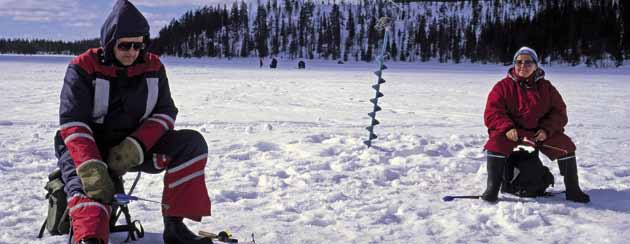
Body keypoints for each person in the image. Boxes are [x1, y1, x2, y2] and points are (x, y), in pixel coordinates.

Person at [55, 1, 213, 243]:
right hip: (88, 147)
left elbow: (166, 111)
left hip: (134, 149)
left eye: (138, 45)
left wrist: (135, 146)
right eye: (124, 45)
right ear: (109, 43)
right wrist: (90, 165)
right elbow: (73, 121)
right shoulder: (83, 66)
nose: (132, 52)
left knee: (191, 145)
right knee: (91, 183)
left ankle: (175, 227)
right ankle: (89, 238)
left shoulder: (153, 66)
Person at [481, 46, 590, 203]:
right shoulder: (502, 87)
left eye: (528, 62)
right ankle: (492, 189)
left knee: (566, 146)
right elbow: (493, 112)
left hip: (539, 133)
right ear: (514, 64)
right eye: (519, 62)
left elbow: (559, 112)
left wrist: (547, 129)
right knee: (495, 144)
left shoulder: (547, 88)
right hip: (513, 132)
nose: (523, 66)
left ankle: (573, 190)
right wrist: (507, 128)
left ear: (536, 65)